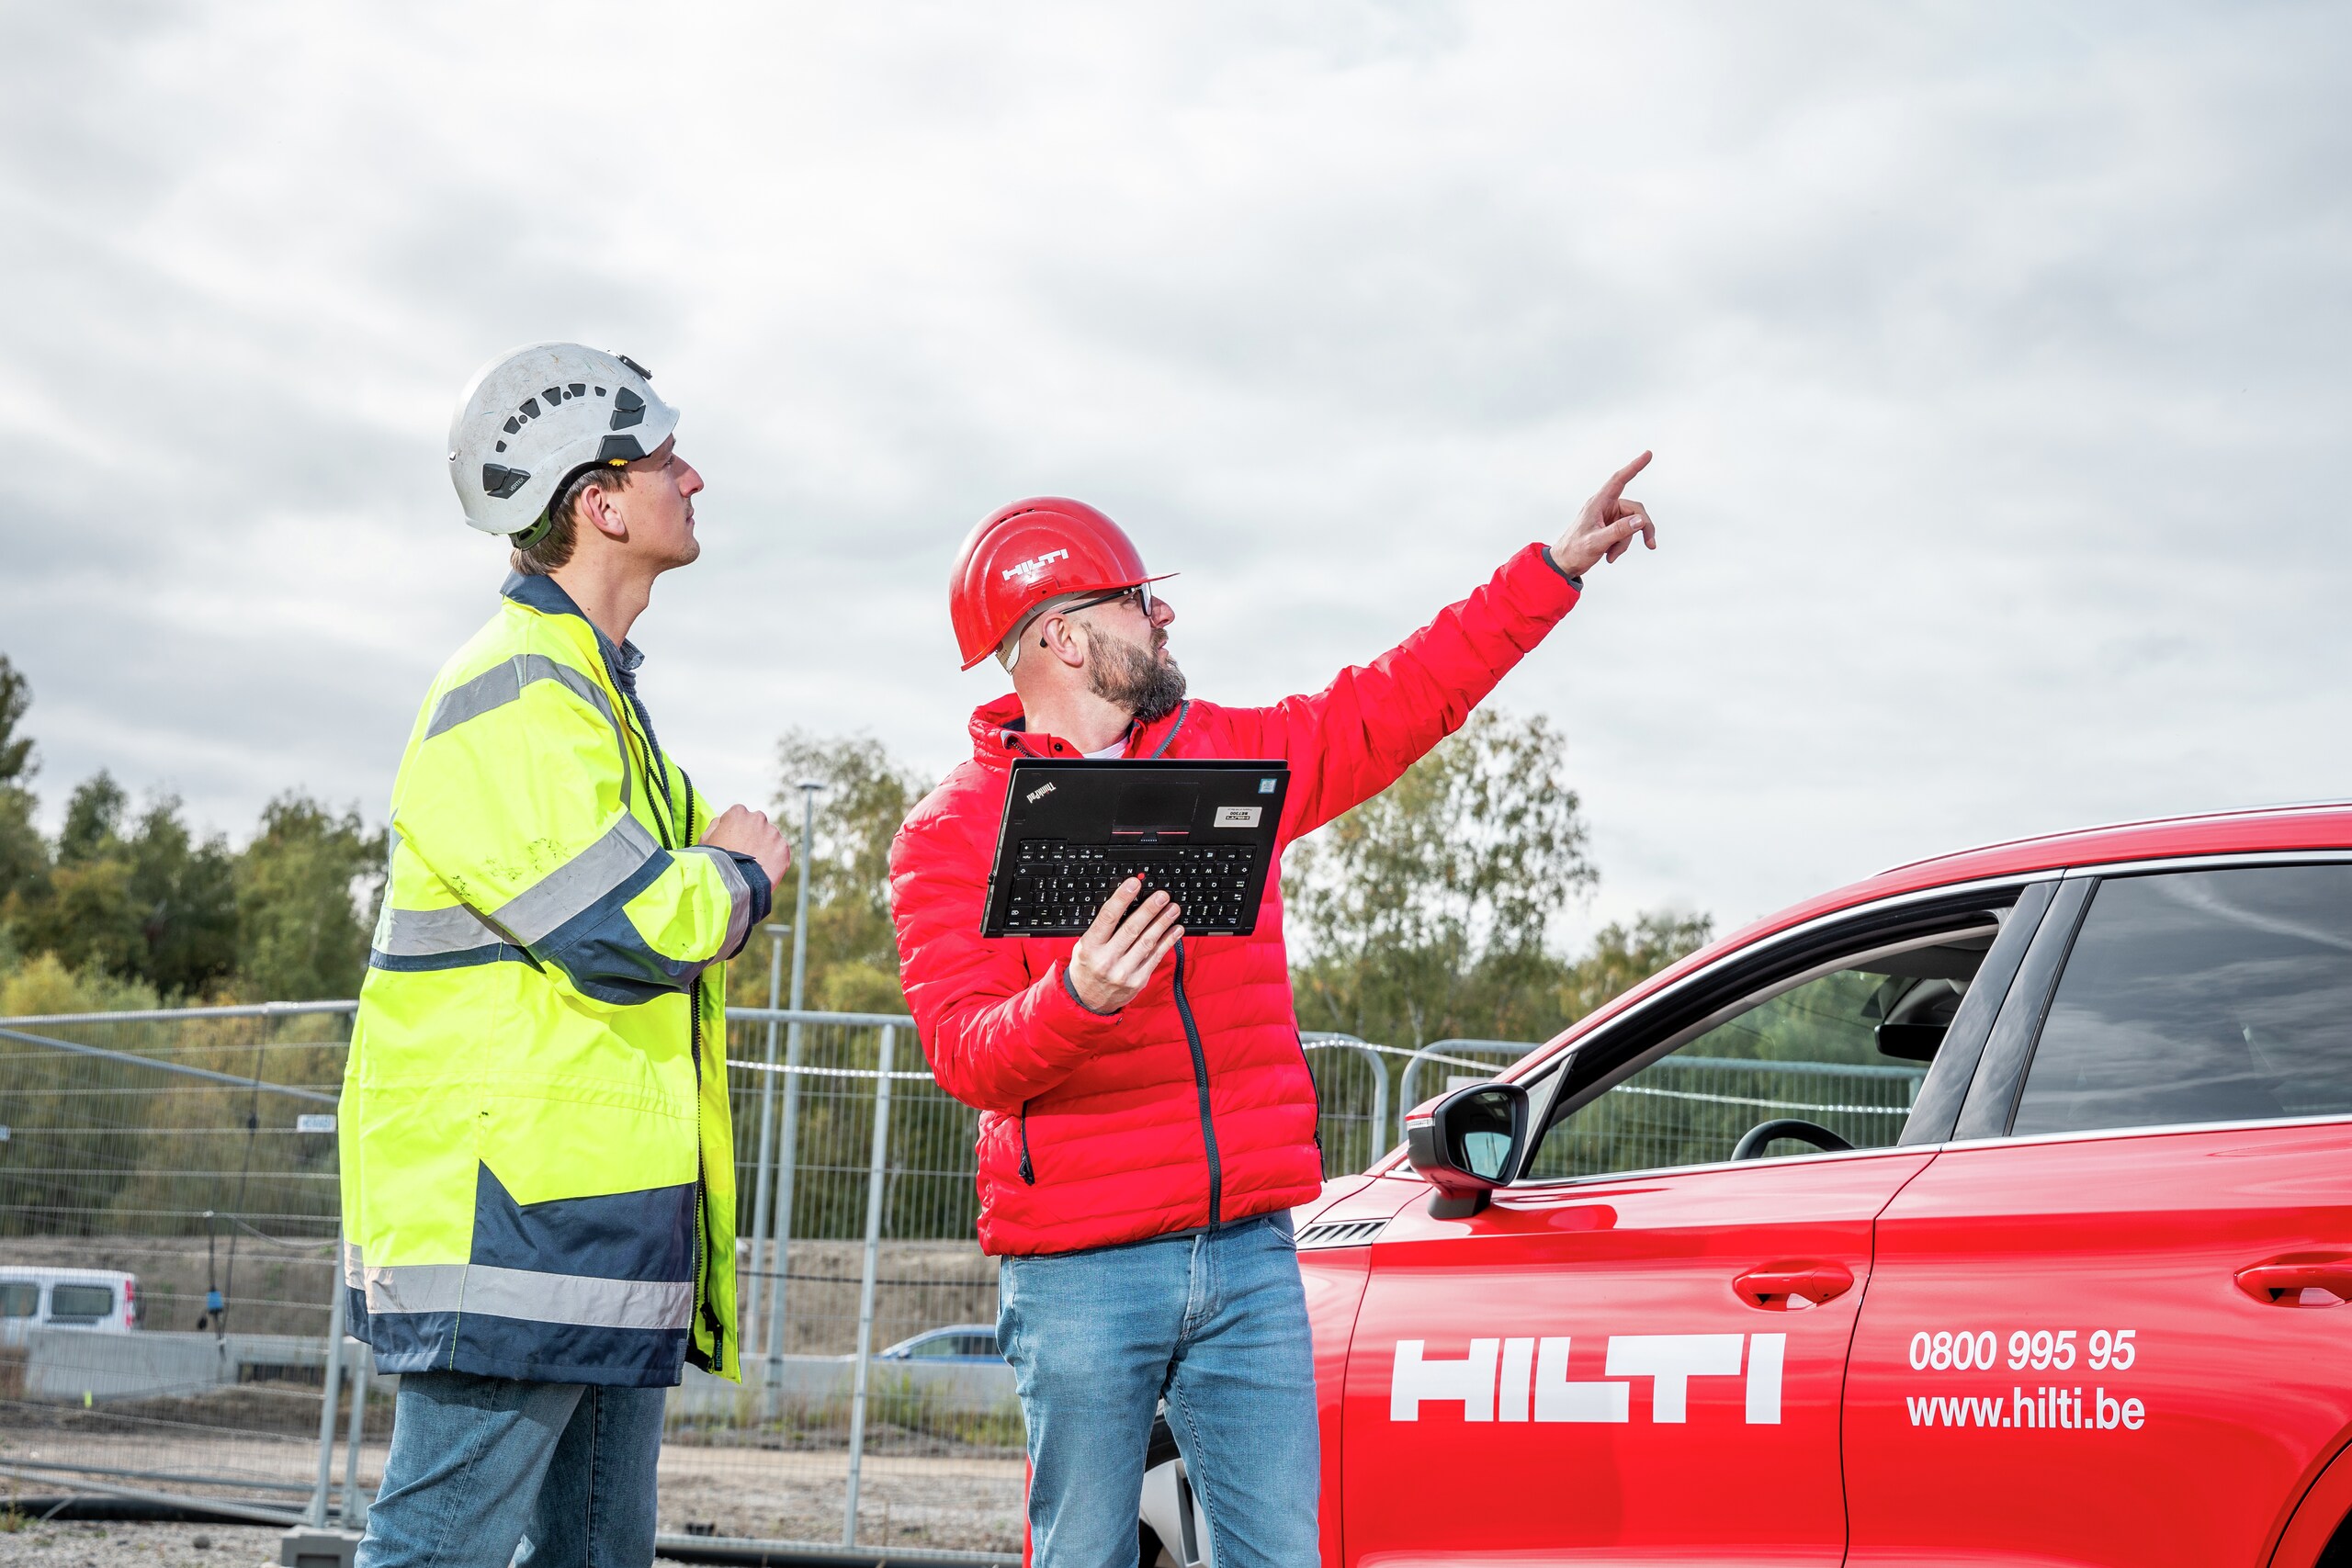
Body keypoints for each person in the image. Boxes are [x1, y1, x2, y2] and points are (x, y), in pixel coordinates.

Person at [889, 457, 1659, 1568]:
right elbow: (967, 1056)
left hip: (1247, 1253)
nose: (1162, 616)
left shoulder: (1223, 759)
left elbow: (1395, 701)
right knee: (1080, 1554)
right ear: (1062, 636)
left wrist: (1548, 570)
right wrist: (1076, 1000)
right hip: (1080, 1275)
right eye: (1135, 601)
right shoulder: (952, 832)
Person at [342, 344, 789, 1568]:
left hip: (591, 1226)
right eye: (664, 461)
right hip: (516, 1224)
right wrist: (741, 870)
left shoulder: (593, 695)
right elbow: (624, 925)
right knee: (436, 1547)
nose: (692, 478)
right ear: (600, 504)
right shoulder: (518, 687)